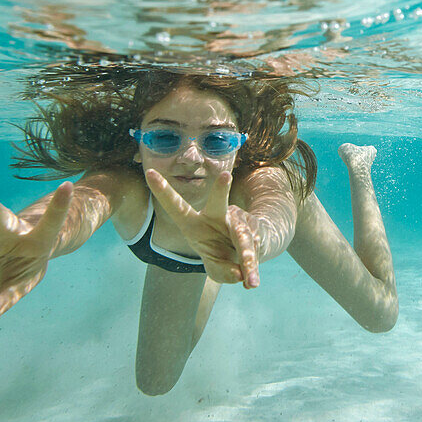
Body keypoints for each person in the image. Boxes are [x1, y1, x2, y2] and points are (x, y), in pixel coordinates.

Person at [0, 67, 397, 395]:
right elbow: (82, 202)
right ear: (137, 144)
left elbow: (275, 213)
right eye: (165, 137)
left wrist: (252, 236)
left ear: (240, 145)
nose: (191, 158)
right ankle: (212, 257)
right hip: (197, 253)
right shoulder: (124, 185)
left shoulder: (259, 179)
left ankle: (360, 169)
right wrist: (38, 236)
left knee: (382, 314)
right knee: (155, 383)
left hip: (280, 212)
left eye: (217, 140)